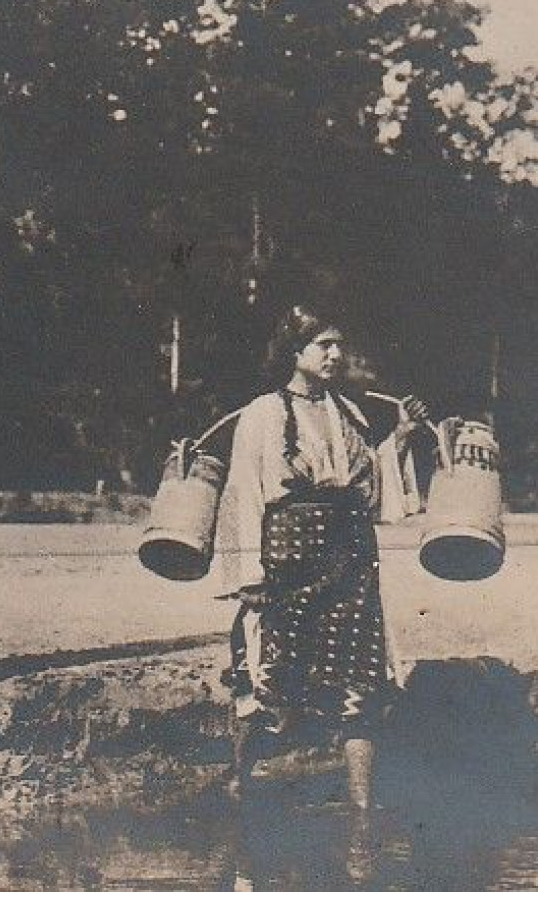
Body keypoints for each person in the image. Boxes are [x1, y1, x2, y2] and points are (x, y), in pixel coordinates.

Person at [213, 304, 429, 808]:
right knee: (268, 675)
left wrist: (400, 436)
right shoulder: (263, 412)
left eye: (340, 345)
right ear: (296, 350)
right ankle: (240, 784)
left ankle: (361, 810)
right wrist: (250, 572)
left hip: (350, 563)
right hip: (287, 564)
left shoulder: (348, 412)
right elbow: (244, 492)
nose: (336, 354)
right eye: (323, 345)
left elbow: (370, 486)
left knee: (360, 682)